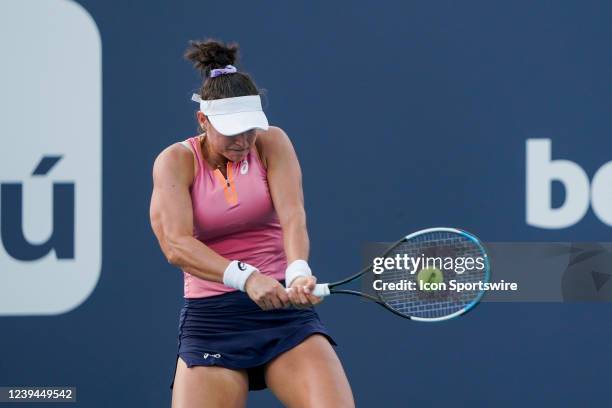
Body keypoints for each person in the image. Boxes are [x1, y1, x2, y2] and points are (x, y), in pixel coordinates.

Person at [149, 39, 355, 408]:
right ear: (203, 120)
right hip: (213, 321)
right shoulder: (175, 161)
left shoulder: (271, 143)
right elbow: (175, 245)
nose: (243, 141)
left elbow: (293, 215)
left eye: (250, 129)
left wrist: (297, 271)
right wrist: (245, 277)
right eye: (232, 131)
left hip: (284, 316)